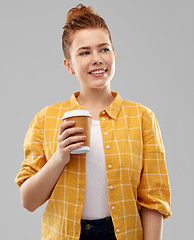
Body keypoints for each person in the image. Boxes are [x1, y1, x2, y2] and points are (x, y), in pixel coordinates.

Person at [15, 4, 172, 240]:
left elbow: (153, 200)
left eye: (104, 49)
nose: (97, 59)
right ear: (69, 65)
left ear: (113, 54)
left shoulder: (142, 118)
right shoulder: (45, 118)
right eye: (84, 52)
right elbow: (28, 201)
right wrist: (59, 158)